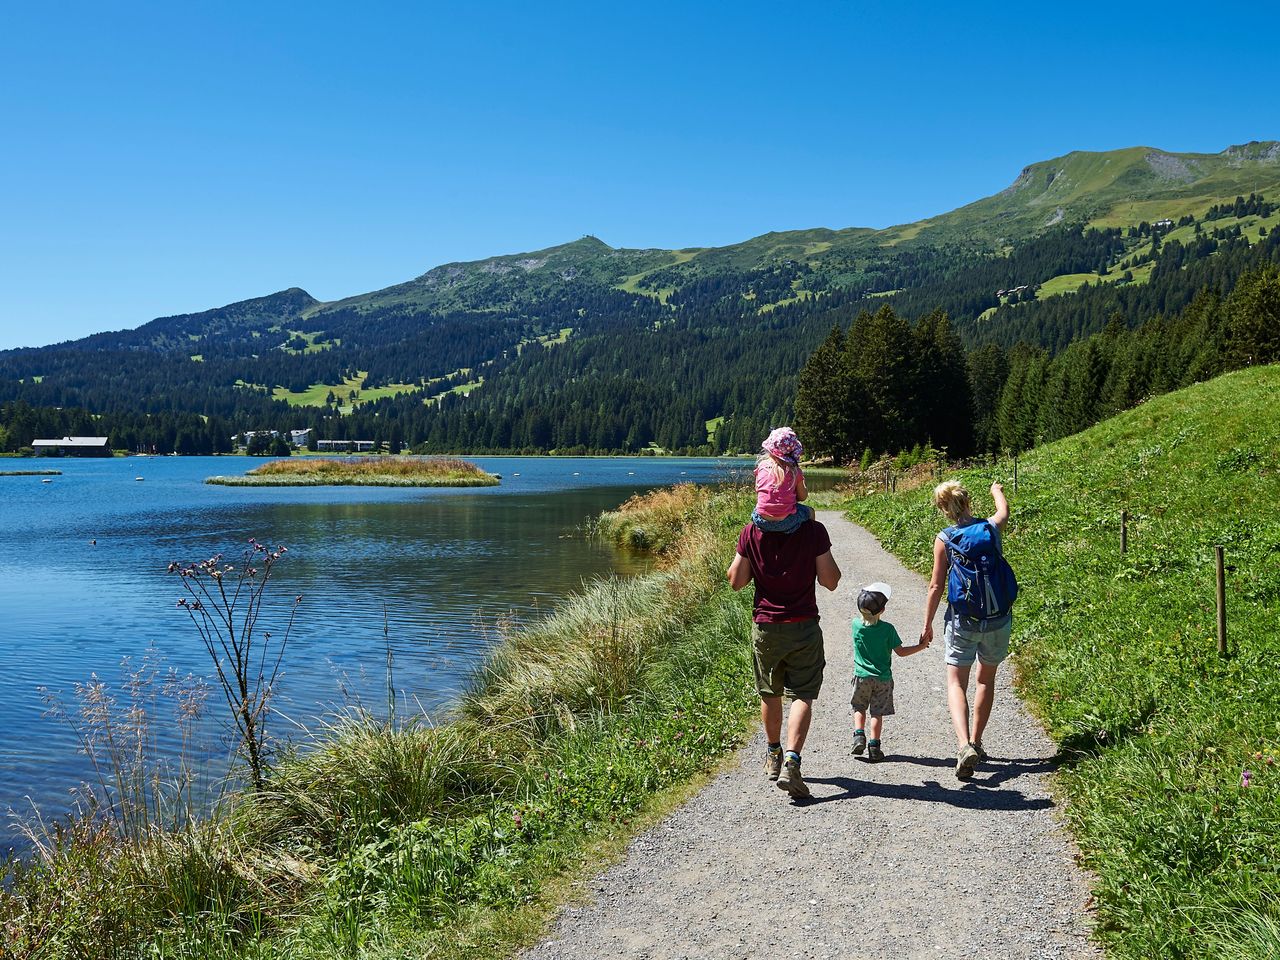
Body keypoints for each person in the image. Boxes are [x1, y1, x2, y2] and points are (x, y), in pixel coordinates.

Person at [728, 501, 841, 798]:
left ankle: (773, 754)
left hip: (766, 627)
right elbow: (831, 581)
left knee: (770, 691)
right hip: (803, 626)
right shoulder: (813, 531)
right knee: (802, 694)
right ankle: (792, 761)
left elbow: (736, 581)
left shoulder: (750, 532)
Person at [920, 480, 1014, 780]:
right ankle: (977, 741)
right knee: (985, 680)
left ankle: (963, 746)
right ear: (968, 502)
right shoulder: (990, 528)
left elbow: (936, 586)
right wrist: (996, 490)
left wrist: (928, 624)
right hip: (998, 617)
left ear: (943, 508)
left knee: (956, 683)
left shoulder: (945, 538)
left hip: (963, 620)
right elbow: (1003, 510)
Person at [850, 582, 930, 761]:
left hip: (861, 677)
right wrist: (921, 646)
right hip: (882, 679)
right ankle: (874, 747)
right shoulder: (887, 629)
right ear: (882, 610)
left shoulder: (855, 625)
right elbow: (901, 652)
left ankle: (858, 735)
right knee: (876, 713)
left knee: (859, 707)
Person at [752, 427, 811, 533]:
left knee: (757, 509)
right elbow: (803, 497)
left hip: (761, 520)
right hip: (786, 522)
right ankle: (810, 543)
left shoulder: (762, 467)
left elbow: (757, 489)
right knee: (810, 512)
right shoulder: (795, 471)